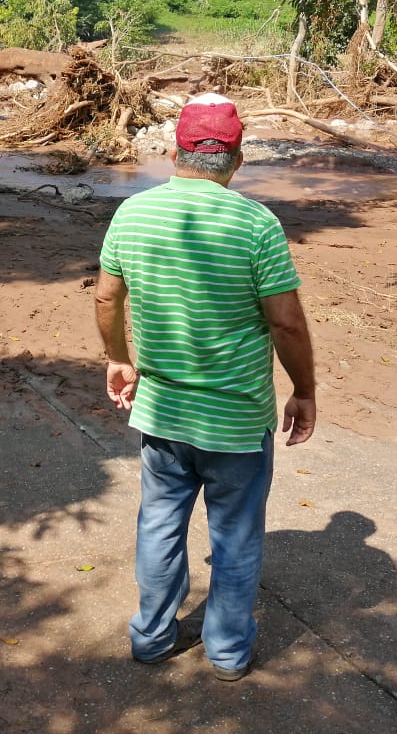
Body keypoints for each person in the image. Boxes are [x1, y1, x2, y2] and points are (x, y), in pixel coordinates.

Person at [94, 93, 318, 681]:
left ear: (174, 151)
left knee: (160, 523)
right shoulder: (255, 224)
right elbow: (286, 321)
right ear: (238, 158)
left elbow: (106, 296)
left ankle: (151, 638)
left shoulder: (133, 214)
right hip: (237, 421)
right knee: (236, 538)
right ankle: (226, 652)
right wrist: (305, 389)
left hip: (164, 413)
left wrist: (117, 358)